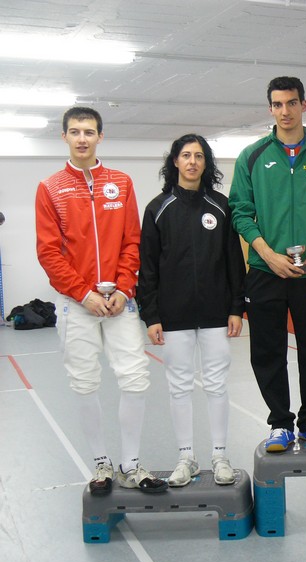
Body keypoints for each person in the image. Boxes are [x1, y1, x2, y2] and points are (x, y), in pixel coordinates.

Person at [35, 107, 166, 495]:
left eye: (89, 131)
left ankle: (131, 464)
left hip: (120, 304)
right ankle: (101, 465)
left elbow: (132, 241)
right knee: (84, 383)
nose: (82, 138)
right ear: (64, 137)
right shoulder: (50, 188)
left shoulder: (121, 183)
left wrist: (124, 288)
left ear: (100, 137)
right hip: (78, 306)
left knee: (135, 379)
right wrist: (84, 293)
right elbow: (49, 252)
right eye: (74, 132)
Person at [229, 76, 306, 453]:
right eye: (277, 104)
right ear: (270, 109)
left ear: (304, 105)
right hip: (266, 272)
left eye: (291, 103)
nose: (285, 111)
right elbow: (240, 213)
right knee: (267, 351)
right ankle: (280, 423)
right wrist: (267, 254)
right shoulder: (253, 156)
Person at [138, 134, 246, 486]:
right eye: (186, 155)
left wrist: (236, 308)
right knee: (179, 387)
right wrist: (151, 315)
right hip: (173, 316)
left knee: (216, 385)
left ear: (206, 163)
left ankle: (220, 455)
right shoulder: (158, 207)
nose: (192, 162)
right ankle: (186, 457)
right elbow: (148, 266)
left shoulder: (221, 205)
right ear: (175, 162)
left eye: (199, 156)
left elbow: (234, 261)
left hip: (216, 314)